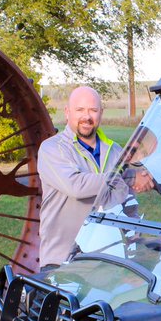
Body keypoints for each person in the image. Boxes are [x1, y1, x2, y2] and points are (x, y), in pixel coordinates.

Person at [37, 86, 123, 269]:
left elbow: (128, 199)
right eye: (80, 110)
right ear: (67, 112)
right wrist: (123, 176)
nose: (87, 116)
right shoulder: (52, 148)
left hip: (109, 260)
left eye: (93, 110)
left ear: (101, 113)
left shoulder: (116, 151)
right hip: (62, 261)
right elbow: (76, 186)